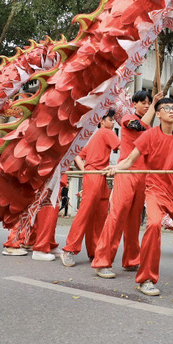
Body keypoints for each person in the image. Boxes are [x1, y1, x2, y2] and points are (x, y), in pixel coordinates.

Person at [107, 96, 173, 296]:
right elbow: (129, 161)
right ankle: (146, 279)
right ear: (158, 113)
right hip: (156, 189)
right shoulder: (149, 136)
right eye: (166, 108)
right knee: (153, 225)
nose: (171, 111)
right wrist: (116, 168)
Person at [91, 89, 159, 277]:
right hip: (126, 172)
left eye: (149, 103)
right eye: (143, 102)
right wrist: (155, 107)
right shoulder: (127, 119)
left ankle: (131, 260)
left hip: (142, 175)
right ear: (134, 104)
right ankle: (102, 261)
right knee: (117, 215)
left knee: (134, 220)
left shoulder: (152, 129)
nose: (146, 105)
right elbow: (140, 127)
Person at [61, 109, 120, 267]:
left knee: (99, 214)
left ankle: (95, 251)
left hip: (97, 176)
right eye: (111, 119)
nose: (113, 122)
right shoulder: (106, 132)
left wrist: (86, 170)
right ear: (102, 121)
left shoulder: (96, 137)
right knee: (86, 213)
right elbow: (123, 147)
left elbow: (79, 156)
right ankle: (69, 249)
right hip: (95, 176)